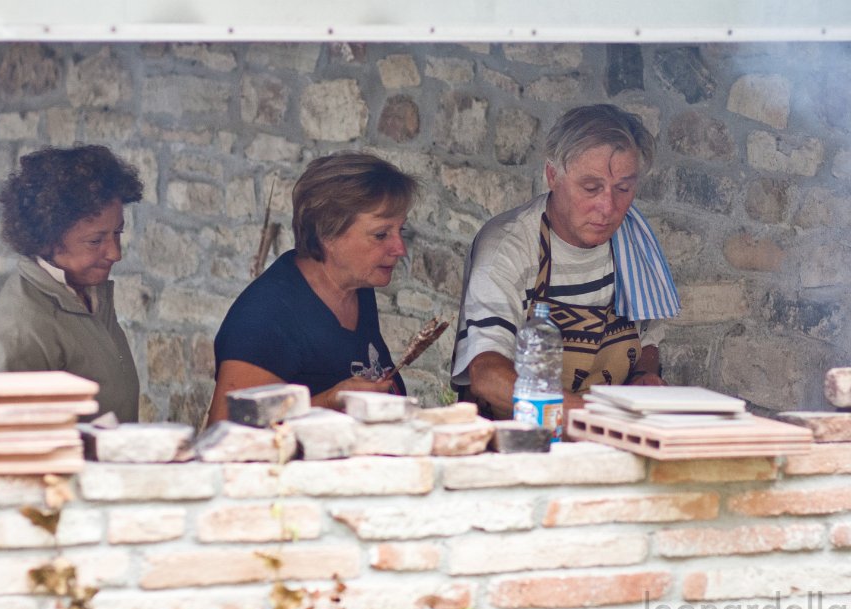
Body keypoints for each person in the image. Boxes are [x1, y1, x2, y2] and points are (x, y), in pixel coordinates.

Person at [451, 104, 681, 419]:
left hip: (605, 433)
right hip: (517, 436)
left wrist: (644, 375)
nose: (608, 207)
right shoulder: (509, 248)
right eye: (591, 188)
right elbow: (486, 374)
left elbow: (647, 341)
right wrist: (586, 416)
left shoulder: (635, 241)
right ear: (552, 176)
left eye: (623, 189)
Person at [206, 152, 419, 425]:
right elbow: (228, 431)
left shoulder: (355, 287)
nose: (400, 249)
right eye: (381, 235)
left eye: (401, 230)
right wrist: (328, 402)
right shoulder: (266, 318)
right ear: (327, 232)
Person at [0, 145, 143, 423]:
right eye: (95, 241)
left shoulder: (87, 293)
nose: (115, 253)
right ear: (47, 240)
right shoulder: (22, 333)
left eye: (118, 232)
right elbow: (14, 440)